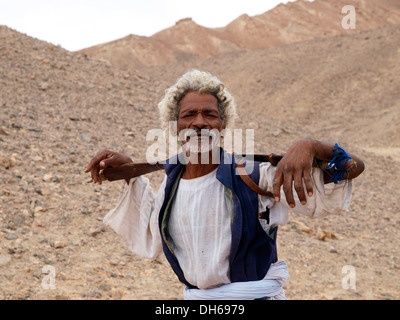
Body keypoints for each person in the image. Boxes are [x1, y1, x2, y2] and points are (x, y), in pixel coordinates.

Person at [85, 70, 364, 300]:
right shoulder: (170, 188)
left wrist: (311, 145)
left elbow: (352, 168)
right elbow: (151, 233)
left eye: (209, 115)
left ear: (222, 125)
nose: (199, 123)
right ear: (174, 126)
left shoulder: (258, 176)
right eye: (189, 115)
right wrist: (131, 169)